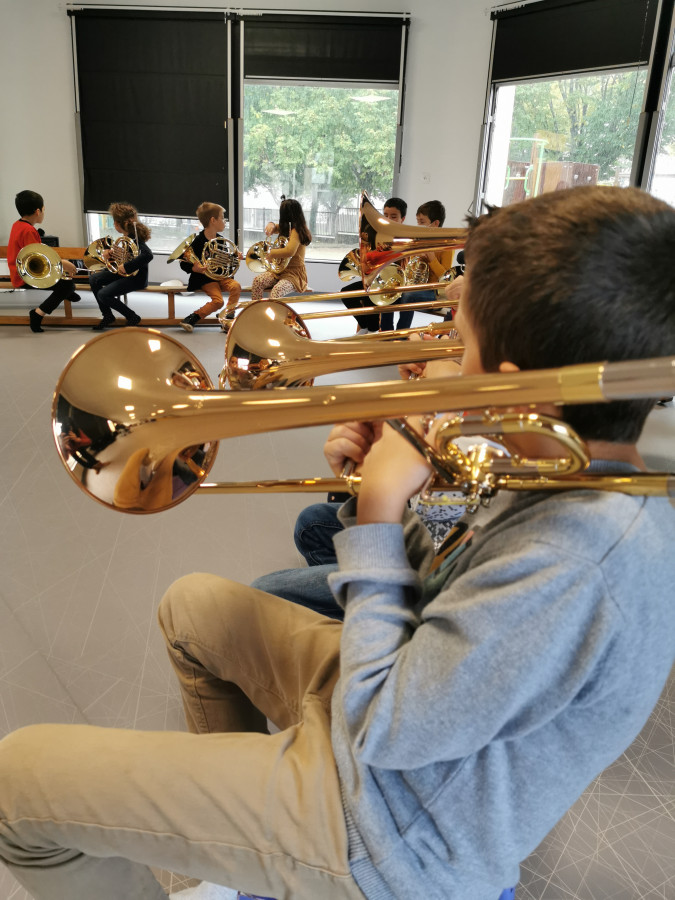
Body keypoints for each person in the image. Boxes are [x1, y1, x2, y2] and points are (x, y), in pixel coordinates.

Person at [1, 186, 674, 900]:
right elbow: (446, 577)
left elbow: (389, 728)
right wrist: (384, 486)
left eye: (458, 337)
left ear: (518, 391)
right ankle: (235, 852)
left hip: (391, 835)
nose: (442, 349)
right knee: (191, 608)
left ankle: (270, 843)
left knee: (15, 786)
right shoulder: (551, 458)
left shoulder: (583, 558)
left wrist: (383, 510)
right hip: (388, 724)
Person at [7, 189, 80, 333]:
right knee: (67, 285)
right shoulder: (29, 231)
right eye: (44, 209)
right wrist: (64, 264)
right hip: (24, 277)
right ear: (38, 211)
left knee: (65, 282)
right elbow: (40, 258)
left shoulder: (18, 225)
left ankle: (68, 292)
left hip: (19, 272)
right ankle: (37, 314)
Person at [340, 196, 408, 334]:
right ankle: (366, 326)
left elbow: (401, 266)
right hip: (379, 280)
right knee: (346, 293)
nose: (388, 219)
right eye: (385, 215)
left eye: (393, 216)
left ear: (403, 219)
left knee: (371, 293)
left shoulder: (405, 238)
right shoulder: (379, 235)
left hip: (395, 285)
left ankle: (373, 330)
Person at [388, 199, 455, 332]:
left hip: (435, 293)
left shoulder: (447, 245)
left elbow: (445, 278)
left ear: (435, 223)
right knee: (388, 291)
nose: (418, 226)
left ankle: (401, 333)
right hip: (418, 288)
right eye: (418, 222)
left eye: (422, 222)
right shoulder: (419, 241)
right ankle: (385, 331)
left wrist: (431, 259)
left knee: (408, 296)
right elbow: (412, 270)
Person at [179, 202, 242, 333]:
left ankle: (227, 317)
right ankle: (192, 317)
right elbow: (183, 262)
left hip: (221, 276)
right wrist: (194, 269)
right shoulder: (197, 241)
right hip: (205, 278)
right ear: (213, 220)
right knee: (218, 301)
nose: (225, 221)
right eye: (222, 218)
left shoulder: (221, 240)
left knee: (236, 286)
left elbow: (226, 263)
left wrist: (234, 258)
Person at [90, 202, 153, 330]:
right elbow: (125, 257)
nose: (113, 224)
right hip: (125, 274)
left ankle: (132, 316)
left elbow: (148, 255)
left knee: (103, 294)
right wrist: (111, 255)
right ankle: (107, 315)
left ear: (119, 223)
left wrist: (127, 267)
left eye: (114, 222)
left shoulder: (134, 238)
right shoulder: (126, 236)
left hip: (137, 278)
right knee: (94, 279)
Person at [249, 197, 311, 301]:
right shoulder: (286, 227)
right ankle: (256, 310)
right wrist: (271, 224)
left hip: (293, 274)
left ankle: (273, 315)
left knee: (277, 291)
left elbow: (289, 251)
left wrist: (271, 253)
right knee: (257, 282)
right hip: (278, 272)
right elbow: (274, 227)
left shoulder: (296, 231)